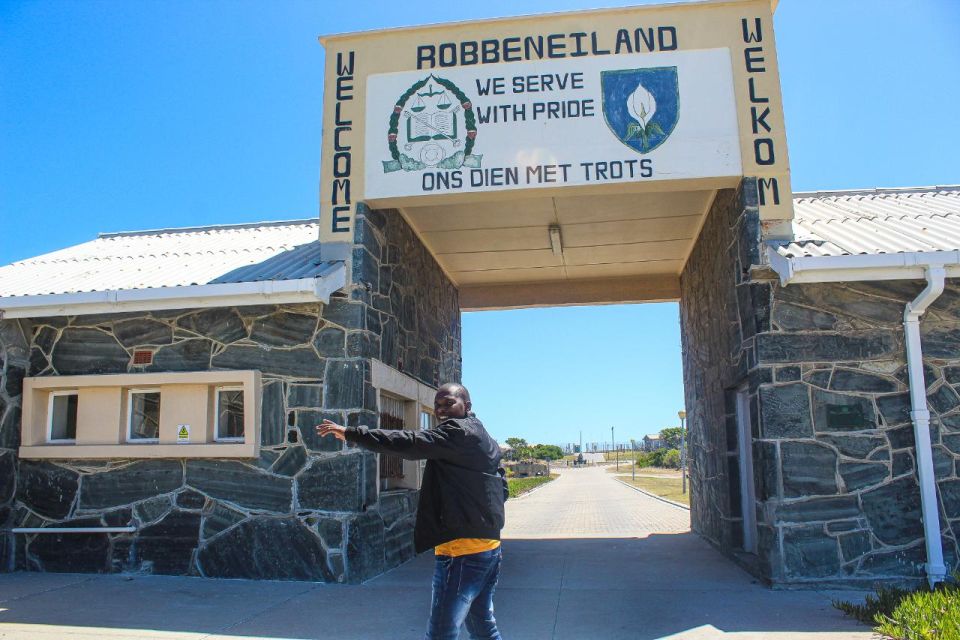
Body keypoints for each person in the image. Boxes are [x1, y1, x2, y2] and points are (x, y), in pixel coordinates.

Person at [316, 382, 506, 640]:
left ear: (467, 406)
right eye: (437, 406)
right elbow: (500, 483)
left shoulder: (457, 432)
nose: (441, 410)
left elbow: (412, 442)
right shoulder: (483, 436)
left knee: (441, 631)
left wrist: (354, 433)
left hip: (462, 550)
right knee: (483, 627)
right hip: (487, 546)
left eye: (448, 403)